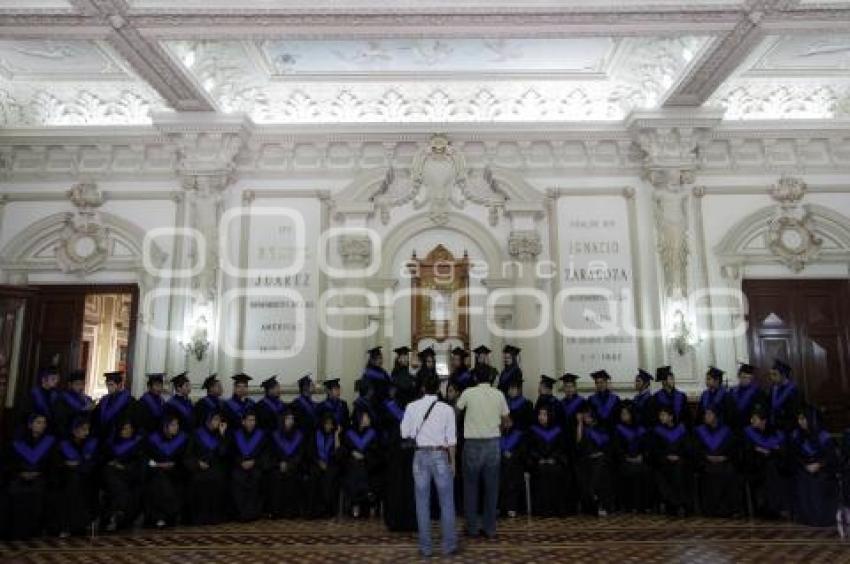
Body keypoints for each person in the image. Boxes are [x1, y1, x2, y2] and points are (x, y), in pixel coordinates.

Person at [400, 372, 458, 558]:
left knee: (422, 503)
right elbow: (452, 441)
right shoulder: (447, 409)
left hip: (419, 455)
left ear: (422, 388)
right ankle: (448, 546)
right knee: (447, 502)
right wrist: (453, 462)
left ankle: (426, 547)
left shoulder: (411, 407)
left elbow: (404, 433)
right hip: (440, 455)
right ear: (439, 388)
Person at [456, 365, 509, 539]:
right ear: (492, 378)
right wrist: (496, 428)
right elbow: (507, 421)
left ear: (475, 378)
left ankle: (472, 528)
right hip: (493, 445)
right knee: (492, 488)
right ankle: (490, 528)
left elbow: (456, 411)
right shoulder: (499, 394)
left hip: (472, 445)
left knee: (470, 487)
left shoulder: (468, 393)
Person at [6, 413, 55, 539]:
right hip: (18, 476)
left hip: (40, 476)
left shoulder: (49, 442)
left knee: (38, 496)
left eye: (44, 423)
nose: (42, 425)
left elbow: (51, 463)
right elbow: (10, 461)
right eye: (38, 422)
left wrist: (37, 473)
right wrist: (20, 472)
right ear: (30, 424)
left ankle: (34, 531)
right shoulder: (18, 441)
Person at [789, 406, 839, 527]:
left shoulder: (823, 435)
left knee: (818, 481)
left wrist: (819, 464)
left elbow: (832, 457)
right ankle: (807, 517)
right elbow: (794, 455)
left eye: (804, 419)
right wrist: (805, 465)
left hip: (823, 468)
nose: (801, 422)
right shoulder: (797, 435)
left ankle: (822, 518)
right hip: (804, 467)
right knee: (801, 479)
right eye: (799, 419)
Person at [51, 415, 99, 537]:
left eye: (88, 429)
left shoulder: (91, 443)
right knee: (70, 487)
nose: (86, 433)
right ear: (74, 430)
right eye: (83, 429)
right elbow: (57, 463)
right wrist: (67, 464)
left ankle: (81, 524)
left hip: (88, 477)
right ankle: (67, 525)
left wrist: (78, 465)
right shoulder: (63, 444)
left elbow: (95, 462)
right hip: (66, 478)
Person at [693, 405, 742, 517]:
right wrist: (706, 457)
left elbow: (733, 450)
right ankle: (711, 509)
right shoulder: (699, 431)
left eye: (709, 414)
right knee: (709, 471)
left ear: (717, 416)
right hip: (706, 462)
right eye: (706, 414)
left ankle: (729, 509)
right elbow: (696, 449)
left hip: (724, 462)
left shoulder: (727, 431)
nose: (706, 416)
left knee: (730, 472)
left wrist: (725, 457)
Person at [742, 404, 790, 519]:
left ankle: (777, 508)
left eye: (755, 418)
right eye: (751, 418)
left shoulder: (777, 433)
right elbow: (747, 453)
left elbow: (782, 452)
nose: (752, 421)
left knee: (774, 469)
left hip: (776, 467)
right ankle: (765, 508)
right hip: (756, 467)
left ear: (764, 421)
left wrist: (766, 452)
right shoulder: (748, 433)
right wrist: (767, 452)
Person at [381, 382, 417, 532]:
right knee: (410, 486)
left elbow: (384, 430)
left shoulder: (389, 409)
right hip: (410, 451)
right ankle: (410, 521)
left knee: (395, 485)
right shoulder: (414, 410)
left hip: (395, 452)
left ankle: (394, 521)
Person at [183, 408, 228, 525]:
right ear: (208, 421)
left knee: (218, 479)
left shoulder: (219, 435)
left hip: (215, 468)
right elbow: (188, 455)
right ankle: (199, 518)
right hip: (199, 468)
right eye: (216, 419)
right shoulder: (196, 434)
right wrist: (198, 463)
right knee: (198, 481)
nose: (218, 422)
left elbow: (223, 453)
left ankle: (214, 517)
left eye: (219, 420)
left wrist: (222, 435)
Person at [144, 413, 188, 528]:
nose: (176, 427)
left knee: (165, 480)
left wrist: (173, 464)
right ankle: (161, 516)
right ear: (164, 426)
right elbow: (146, 458)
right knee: (158, 480)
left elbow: (184, 458)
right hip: (155, 470)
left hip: (176, 471)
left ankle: (163, 517)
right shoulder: (153, 439)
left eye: (177, 424)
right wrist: (158, 464)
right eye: (173, 425)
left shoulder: (182, 439)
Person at [101, 417, 145, 532]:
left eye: (130, 428)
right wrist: (115, 465)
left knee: (129, 490)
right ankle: (115, 516)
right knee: (113, 479)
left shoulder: (137, 444)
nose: (128, 431)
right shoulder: (110, 444)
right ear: (119, 430)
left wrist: (125, 468)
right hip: (113, 475)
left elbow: (139, 463)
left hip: (130, 475)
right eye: (124, 429)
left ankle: (116, 517)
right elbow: (105, 461)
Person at [650, 404, 691, 516]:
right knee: (662, 473)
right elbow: (654, 449)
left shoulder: (681, 429)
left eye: (663, 415)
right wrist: (666, 456)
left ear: (671, 417)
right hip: (663, 461)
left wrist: (679, 456)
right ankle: (676, 504)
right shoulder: (657, 431)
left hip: (680, 461)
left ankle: (677, 504)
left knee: (679, 470)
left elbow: (687, 448)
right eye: (660, 415)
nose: (661, 418)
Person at [527, 404, 568, 517]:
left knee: (556, 471)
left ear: (550, 416)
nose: (541, 417)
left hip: (555, 462)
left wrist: (553, 458)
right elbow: (530, 448)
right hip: (538, 462)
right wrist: (539, 458)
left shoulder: (558, 430)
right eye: (540, 414)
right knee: (542, 472)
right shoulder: (533, 430)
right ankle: (542, 510)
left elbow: (561, 448)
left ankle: (557, 509)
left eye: (544, 414)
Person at [341, 409, 383, 518]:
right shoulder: (349, 433)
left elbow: (378, 451)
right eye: (366, 417)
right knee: (355, 465)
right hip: (353, 465)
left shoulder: (373, 433)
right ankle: (369, 499)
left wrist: (365, 456)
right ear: (359, 419)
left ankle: (356, 503)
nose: (369, 419)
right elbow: (344, 449)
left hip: (370, 465)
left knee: (360, 467)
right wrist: (352, 452)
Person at [613, 400, 652, 513]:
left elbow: (646, 447)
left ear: (632, 414)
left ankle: (643, 506)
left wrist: (642, 456)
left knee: (646, 471)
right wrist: (627, 458)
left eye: (625, 413)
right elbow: (617, 449)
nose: (623, 416)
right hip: (625, 461)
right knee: (631, 471)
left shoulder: (641, 428)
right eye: (622, 413)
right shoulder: (618, 429)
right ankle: (629, 505)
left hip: (640, 460)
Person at [575, 404, 614, 516]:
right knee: (585, 477)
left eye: (587, 416)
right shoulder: (583, 429)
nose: (586, 419)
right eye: (584, 416)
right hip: (586, 461)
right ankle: (592, 505)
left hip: (600, 460)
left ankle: (602, 504)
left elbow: (606, 446)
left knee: (599, 475)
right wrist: (580, 423)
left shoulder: (601, 428)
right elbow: (579, 443)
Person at [267, 409, 306, 519]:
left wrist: (290, 464)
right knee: (275, 477)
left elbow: (300, 454)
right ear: (282, 420)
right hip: (277, 466)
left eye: (292, 418)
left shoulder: (299, 435)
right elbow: (271, 453)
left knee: (292, 477)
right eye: (288, 418)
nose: (290, 421)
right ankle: (276, 511)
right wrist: (279, 463)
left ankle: (291, 511)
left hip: (294, 466)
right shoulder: (274, 435)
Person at [229, 408, 266, 522]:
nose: (252, 423)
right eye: (249, 420)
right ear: (243, 422)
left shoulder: (262, 435)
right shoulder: (235, 435)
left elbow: (265, 453)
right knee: (237, 478)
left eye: (253, 420)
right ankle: (241, 513)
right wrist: (240, 462)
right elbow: (231, 452)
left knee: (256, 478)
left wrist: (254, 461)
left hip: (255, 465)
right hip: (239, 466)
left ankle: (254, 513)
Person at [306, 412, 340, 519]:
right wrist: (319, 462)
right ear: (322, 424)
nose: (329, 426)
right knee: (313, 476)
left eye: (331, 424)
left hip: (331, 464)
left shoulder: (335, 436)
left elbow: (338, 454)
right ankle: (313, 511)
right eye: (327, 424)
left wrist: (336, 435)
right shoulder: (315, 434)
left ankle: (327, 511)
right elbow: (310, 452)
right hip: (316, 463)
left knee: (329, 478)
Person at [92, 371, 135, 441]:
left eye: (111, 385)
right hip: (103, 437)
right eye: (107, 385)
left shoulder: (129, 400)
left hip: (118, 437)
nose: (108, 388)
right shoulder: (104, 400)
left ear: (120, 385)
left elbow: (129, 421)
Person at [498, 413, 526, 517]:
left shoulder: (519, 434)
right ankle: (501, 507)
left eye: (508, 421)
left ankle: (512, 506)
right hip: (501, 464)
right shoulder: (498, 434)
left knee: (511, 475)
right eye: (504, 421)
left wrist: (512, 454)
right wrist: (502, 454)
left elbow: (523, 451)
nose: (506, 423)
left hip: (515, 464)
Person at [53, 369, 94, 438]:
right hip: (68, 434)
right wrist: (82, 410)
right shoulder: (62, 398)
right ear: (70, 385)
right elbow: (60, 419)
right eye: (77, 384)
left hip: (84, 435)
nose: (81, 387)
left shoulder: (87, 399)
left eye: (82, 384)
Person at [18, 366, 60, 432]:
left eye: (57, 379)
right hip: (34, 430)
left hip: (50, 430)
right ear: (43, 379)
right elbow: (26, 415)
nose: (56, 381)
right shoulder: (33, 394)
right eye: (53, 379)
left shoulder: (56, 395)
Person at [729, 363, 766, 430]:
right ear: (739, 376)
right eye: (744, 377)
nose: (746, 380)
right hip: (734, 426)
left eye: (749, 378)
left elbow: (760, 409)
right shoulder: (732, 391)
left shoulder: (757, 391)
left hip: (749, 425)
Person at [768, 359, 801, 432]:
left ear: (783, 375)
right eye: (771, 374)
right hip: (774, 427)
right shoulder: (773, 389)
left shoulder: (793, 390)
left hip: (789, 428)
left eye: (774, 374)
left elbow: (796, 411)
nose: (771, 377)